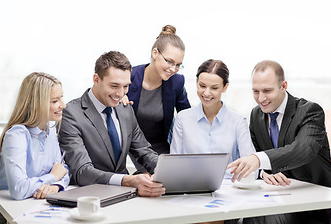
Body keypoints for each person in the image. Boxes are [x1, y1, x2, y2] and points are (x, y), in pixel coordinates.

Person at [227, 60, 331, 224]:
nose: (261, 99)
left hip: (319, 202)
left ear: (284, 86)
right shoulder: (256, 115)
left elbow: (303, 150)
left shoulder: (310, 111)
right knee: (237, 216)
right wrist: (264, 172)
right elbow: (261, 156)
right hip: (283, 197)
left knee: (264, 218)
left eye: (267, 90)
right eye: (255, 91)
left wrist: (258, 159)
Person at [58, 51, 165, 197]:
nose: (121, 94)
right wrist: (128, 180)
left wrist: (167, 171)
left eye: (125, 86)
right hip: (90, 198)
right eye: (114, 86)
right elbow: (82, 171)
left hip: (126, 197)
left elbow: (144, 152)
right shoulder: (72, 114)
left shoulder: (125, 109)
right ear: (96, 79)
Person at [0, 72, 70, 224]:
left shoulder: (50, 129)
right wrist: (51, 178)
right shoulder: (17, 135)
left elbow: (62, 170)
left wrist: (56, 186)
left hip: (31, 207)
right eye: (54, 101)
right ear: (37, 103)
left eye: (61, 97)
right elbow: (19, 190)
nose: (63, 105)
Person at [170, 59, 255, 176]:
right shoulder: (183, 118)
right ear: (196, 82)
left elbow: (250, 165)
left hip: (229, 188)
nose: (206, 93)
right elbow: (174, 163)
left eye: (214, 88)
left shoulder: (238, 121)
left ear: (225, 87)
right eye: (202, 86)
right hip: (191, 188)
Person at [124, 25, 190, 172]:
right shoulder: (129, 77)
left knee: (170, 177)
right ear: (155, 53)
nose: (173, 69)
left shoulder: (176, 82)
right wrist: (117, 101)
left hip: (159, 144)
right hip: (130, 143)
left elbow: (187, 117)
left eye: (178, 65)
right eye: (169, 61)